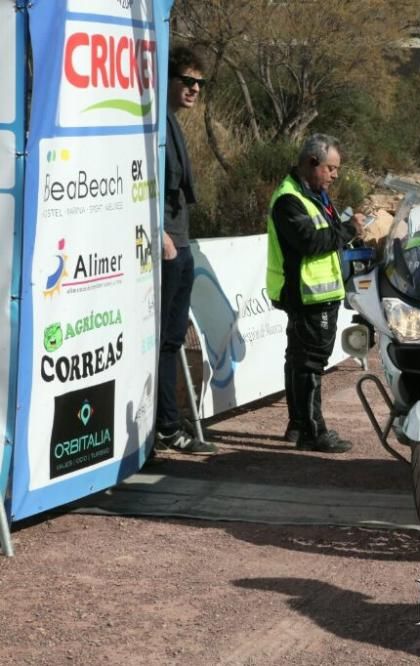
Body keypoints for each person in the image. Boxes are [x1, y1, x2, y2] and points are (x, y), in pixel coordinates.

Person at [266, 134, 364, 453]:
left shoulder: (314, 194)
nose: (335, 176)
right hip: (307, 294)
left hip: (316, 293)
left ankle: (297, 425)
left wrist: (342, 229)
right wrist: (348, 231)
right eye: (331, 168)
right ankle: (312, 430)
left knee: (298, 358)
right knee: (309, 363)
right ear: (312, 163)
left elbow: (324, 233)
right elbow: (310, 241)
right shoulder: (288, 199)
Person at [155, 47, 217, 455]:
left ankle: (166, 423)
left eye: (200, 83)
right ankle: (165, 426)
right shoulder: (155, 125)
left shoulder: (172, 124)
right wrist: (158, 233)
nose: (195, 89)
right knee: (163, 342)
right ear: (169, 80)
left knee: (173, 341)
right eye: (187, 81)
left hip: (181, 243)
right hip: (166, 246)